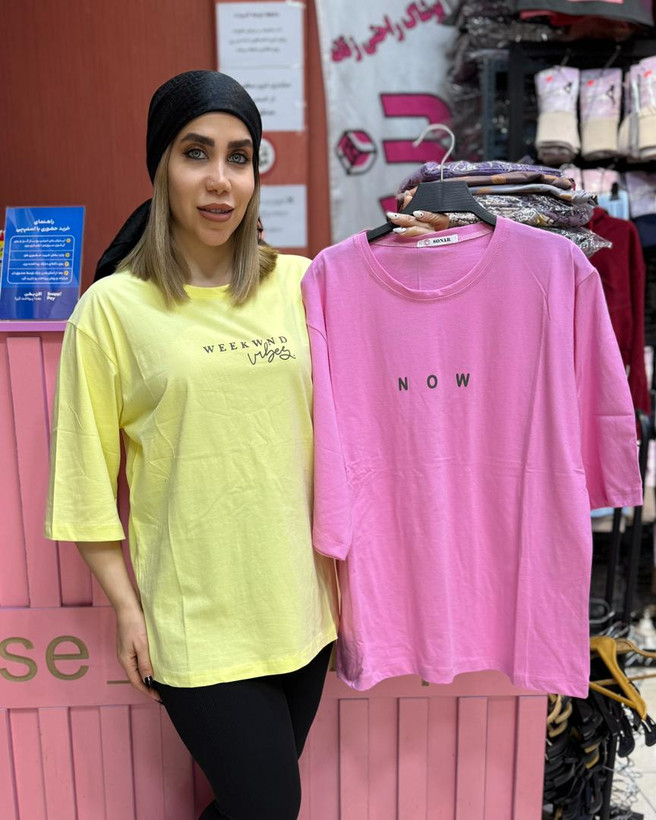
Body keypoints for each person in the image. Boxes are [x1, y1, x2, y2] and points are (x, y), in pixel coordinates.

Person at [45, 69, 439, 820]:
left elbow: (401, 343)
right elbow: (84, 483)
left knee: (250, 807)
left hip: (303, 612)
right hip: (197, 624)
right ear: (160, 166)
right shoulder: (112, 309)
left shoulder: (303, 283)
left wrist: (426, 253)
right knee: (269, 807)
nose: (220, 180)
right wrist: (128, 609)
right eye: (196, 153)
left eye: (240, 157)